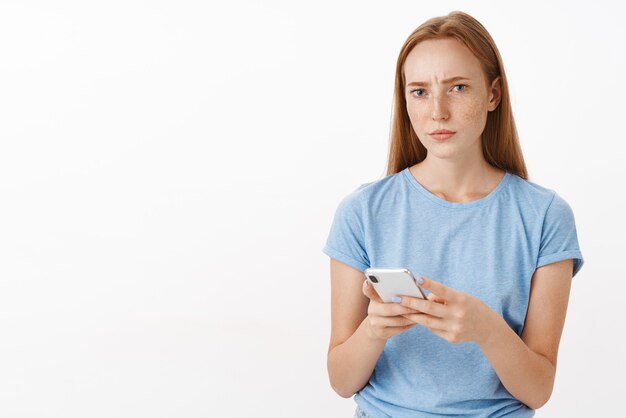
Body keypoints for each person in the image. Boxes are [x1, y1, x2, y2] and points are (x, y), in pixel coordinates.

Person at [321, 10, 584, 418]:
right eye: (420, 91)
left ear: (493, 94)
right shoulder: (362, 212)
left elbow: (538, 389)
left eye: (458, 87)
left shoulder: (544, 216)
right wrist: (374, 329)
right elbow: (341, 381)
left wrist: (486, 329)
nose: (437, 112)